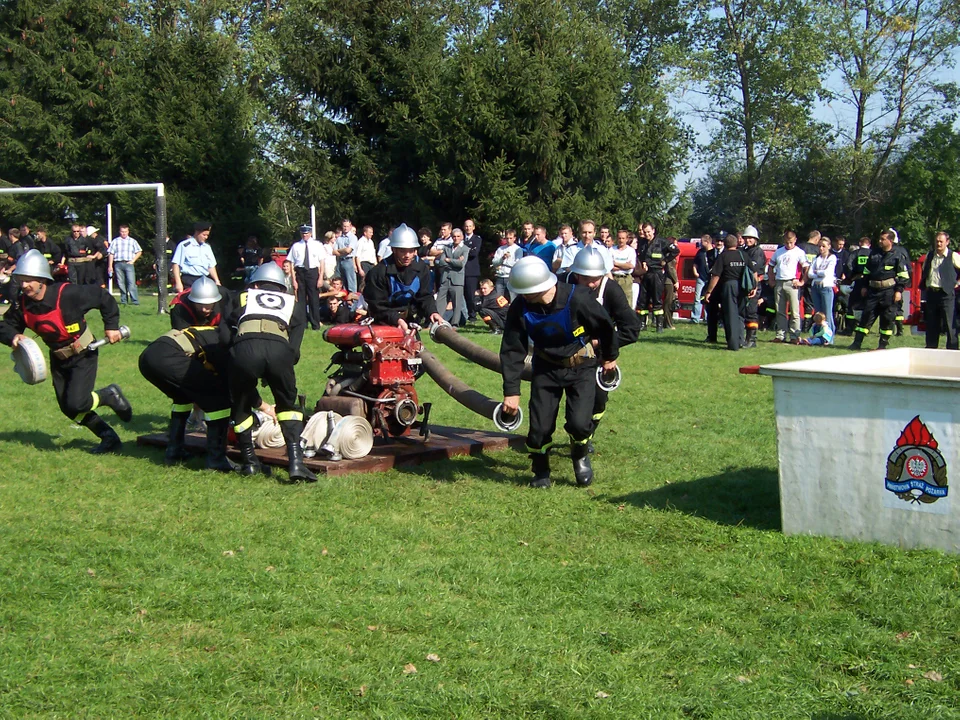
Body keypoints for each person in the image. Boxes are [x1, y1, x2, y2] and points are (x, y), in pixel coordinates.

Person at [499, 256, 619, 489]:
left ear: (541, 286)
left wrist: (609, 357)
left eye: (526, 293)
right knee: (540, 427)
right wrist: (511, 392)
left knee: (579, 423)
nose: (523, 298)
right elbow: (512, 350)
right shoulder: (521, 307)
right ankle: (541, 470)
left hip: (581, 367)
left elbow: (605, 327)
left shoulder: (579, 298)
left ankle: (580, 455)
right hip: (546, 369)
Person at [0, 250, 131, 453]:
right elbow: (5, 326)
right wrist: (13, 336)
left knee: (78, 402)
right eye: (22, 280)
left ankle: (108, 395)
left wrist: (111, 326)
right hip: (58, 358)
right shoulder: (22, 304)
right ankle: (109, 437)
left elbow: (102, 297)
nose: (25, 286)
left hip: (84, 353)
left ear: (43, 279)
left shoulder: (68, 294)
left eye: (29, 281)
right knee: (68, 408)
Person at [138, 277, 244, 471]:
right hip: (172, 357)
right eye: (201, 306)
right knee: (218, 399)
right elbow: (217, 369)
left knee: (182, 396)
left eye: (210, 305)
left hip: (148, 357)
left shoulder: (225, 299)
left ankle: (174, 450)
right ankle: (216, 460)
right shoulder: (184, 313)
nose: (206, 310)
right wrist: (258, 405)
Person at [227, 262, 314, 482]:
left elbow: (226, 331)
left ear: (254, 284)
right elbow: (294, 349)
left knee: (241, 402)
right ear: (282, 287)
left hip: (244, 349)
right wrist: (277, 368)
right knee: (288, 406)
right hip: (279, 351)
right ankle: (296, 464)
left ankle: (249, 462)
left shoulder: (241, 297)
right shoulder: (294, 303)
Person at [567, 246, 639, 452]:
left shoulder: (611, 289)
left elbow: (632, 329)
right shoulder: (562, 283)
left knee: (598, 400)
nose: (591, 284)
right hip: (564, 354)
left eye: (595, 279)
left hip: (597, 358)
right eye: (585, 279)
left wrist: (603, 345)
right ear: (575, 274)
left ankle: (586, 435)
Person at [362, 223, 443, 333]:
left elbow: (425, 296)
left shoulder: (421, 268)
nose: (407, 255)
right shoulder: (379, 272)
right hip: (382, 323)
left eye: (411, 251)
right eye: (402, 251)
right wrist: (396, 319)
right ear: (394, 249)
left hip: (407, 321)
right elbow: (376, 305)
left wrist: (433, 312)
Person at [849, 230, 910, 350]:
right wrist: (864, 286)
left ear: (890, 241)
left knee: (887, 319)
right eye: (880, 239)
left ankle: (882, 345)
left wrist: (898, 291)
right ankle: (856, 343)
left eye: (883, 239)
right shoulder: (874, 253)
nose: (880, 241)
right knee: (866, 316)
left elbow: (904, 276)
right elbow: (867, 271)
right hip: (873, 290)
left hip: (889, 291)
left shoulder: (897, 255)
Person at [703, 234, 750, 351]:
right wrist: (753, 287)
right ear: (736, 244)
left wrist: (709, 291)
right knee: (740, 314)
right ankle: (740, 340)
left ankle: (733, 344)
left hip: (729, 285)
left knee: (730, 315)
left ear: (725, 243)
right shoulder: (743, 255)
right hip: (743, 287)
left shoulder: (723, 256)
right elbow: (752, 272)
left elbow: (716, 276)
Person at [920, 231, 960, 350]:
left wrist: (957, 283)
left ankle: (953, 351)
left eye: (941, 241)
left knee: (950, 325)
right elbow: (925, 270)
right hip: (932, 294)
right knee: (932, 325)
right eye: (937, 241)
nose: (938, 244)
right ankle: (931, 350)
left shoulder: (953, 256)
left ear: (947, 242)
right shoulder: (930, 255)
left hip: (947, 295)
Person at [767, 231, 809, 343]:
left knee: (795, 311)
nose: (789, 245)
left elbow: (806, 268)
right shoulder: (779, 252)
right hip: (780, 282)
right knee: (780, 311)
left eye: (791, 242)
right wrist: (771, 280)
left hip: (792, 283)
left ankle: (795, 336)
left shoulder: (799, 252)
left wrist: (802, 282)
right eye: (786, 242)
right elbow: (771, 266)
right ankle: (780, 335)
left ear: (795, 240)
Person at [636, 222, 678, 333]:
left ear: (653, 231)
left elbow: (675, 251)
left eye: (649, 232)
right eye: (645, 232)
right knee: (643, 300)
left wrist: (665, 261)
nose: (647, 234)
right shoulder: (642, 242)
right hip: (645, 274)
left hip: (657, 273)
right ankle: (642, 324)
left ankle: (659, 325)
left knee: (656, 300)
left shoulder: (663, 242)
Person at [288, 224, 323, 331]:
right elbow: (291, 263)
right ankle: (302, 324)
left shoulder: (317, 245)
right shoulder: (296, 246)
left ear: (311, 233)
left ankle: (315, 324)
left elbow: (322, 262)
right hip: (300, 272)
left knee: (314, 299)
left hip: (312, 272)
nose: (305, 235)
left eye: (307, 233)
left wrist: (320, 277)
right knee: (301, 299)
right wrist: (293, 280)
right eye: (303, 233)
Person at [435, 227, 469, 327]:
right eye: (454, 236)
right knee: (440, 301)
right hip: (445, 278)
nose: (456, 238)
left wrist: (449, 260)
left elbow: (461, 264)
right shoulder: (447, 248)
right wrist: (455, 261)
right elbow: (441, 262)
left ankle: (455, 323)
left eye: (458, 236)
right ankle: (437, 321)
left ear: (462, 237)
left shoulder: (465, 249)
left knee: (457, 303)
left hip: (457, 280)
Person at [172, 222, 221, 292]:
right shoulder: (184, 246)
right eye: (204, 235)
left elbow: (211, 266)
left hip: (204, 280)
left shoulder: (207, 247)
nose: (206, 237)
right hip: (189, 280)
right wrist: (178, 283)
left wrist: (217, 281)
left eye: (207, 235)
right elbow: (176, 264)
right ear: (197, 232)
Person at [739, 226, 766, 347]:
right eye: (746, 238)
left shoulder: (758, 252)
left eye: (750, 238)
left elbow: (754, 269)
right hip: (745, 284)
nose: (748, 240)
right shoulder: (745, 250)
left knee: (751, 312)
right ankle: (746, 338)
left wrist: (754, 287)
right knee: (745, 311)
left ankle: (752, 339)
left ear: (755, 239)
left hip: (754, 284)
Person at [840, 236, 872, 335]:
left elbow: (848, 266)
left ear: (860, 243)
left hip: (857, 282)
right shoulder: (873, 253)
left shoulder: (855, 253)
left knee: (852, 305)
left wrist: (850, 277)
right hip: (870, 283)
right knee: (867, 306)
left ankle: (849, 329)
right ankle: (864, 328)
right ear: (869, 245)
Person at [107, 224, 143, 305]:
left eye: (125, 232)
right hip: (118, 264)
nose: (124, 233)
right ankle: (124, 301)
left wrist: (133, 260)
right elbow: (111, 253)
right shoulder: (115, 241)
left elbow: (139, 251)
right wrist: (110, 266)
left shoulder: (132, 241)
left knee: (131, 283)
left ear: (128, 232)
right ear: (120, 232)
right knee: (121, 283)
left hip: (128, 263)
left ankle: (135, 301)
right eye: (122, 232)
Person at [808, 237, 837, 333]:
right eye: (819, 246)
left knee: (827, 313)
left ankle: (829, 335)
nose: (821, 248)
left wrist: (817, 272)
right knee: (818, 313)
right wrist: (819, 273)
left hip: (826, 287)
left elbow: (827, 273)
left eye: (823, 246)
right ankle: (819, 334)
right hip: (815, 286)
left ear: (829, 246)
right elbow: (810, 274)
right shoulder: (817, 258)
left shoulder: (832, 258)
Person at [491, 229, 523, 301]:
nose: (508, 240)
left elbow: (517, 264)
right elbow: (494, 262)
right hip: (500, 277)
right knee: (499, 300)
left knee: (513, 299)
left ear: (514, 238)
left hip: (511, 277)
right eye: (507, 238)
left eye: (511, 238)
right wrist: (502, 258)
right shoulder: (501, 249)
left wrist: (504, 262)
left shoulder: (518, 249)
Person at [691, 235, 715, 325]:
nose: (701, 243)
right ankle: (695, 318)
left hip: (710, 279)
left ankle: (707, 318)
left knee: (708, 299)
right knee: (697, 299)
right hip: (701, 278)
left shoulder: (714, 252)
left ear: (707, 242)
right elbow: (695, 264)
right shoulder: (700, 252)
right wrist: (695, 272)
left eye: (702, 242)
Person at [462, 219, 483, 321]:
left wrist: (464, 252)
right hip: (461, 271)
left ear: (473, 227)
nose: (468, 228)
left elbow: (474, 253)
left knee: (470, 295)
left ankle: (472, 315)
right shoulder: (461, 239)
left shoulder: (477, 239)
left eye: (470, 226)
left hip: (471, 271)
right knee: (462, 295)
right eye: (466, 226)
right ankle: (464, 315)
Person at [334, 219, 359, 293]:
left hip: (349, 261)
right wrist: (344, 250)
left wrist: (340, 250)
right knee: (341, 282)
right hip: (340, 261)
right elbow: (334, 251)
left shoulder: (353, 237)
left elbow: (349, 250)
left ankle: (353, 302)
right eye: (344, 226)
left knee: (351, 284)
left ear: (350, 226)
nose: (345, 228)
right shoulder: (339, 238)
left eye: (347, 226)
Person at [610, 230, 636, 299]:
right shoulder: (611, 250)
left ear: (627, 239)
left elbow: (631, 266)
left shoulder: (631, 251)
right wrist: (624, 265)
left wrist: (616, 263)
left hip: (626, 279)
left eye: (623, 238)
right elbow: (609, 266)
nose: (621, 240)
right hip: (613, 278)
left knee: (627, 300)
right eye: (619, 238)